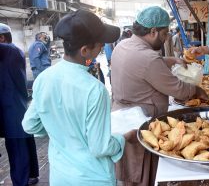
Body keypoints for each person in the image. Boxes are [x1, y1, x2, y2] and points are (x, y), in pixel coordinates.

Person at [22, 9, 126, 186]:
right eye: (100, 44)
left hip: (61, 176)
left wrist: (59, 127)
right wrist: (122, 139)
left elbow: (30, 124)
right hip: (93, 178)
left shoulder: (44, 79)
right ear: (85, 50)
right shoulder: (95, 90)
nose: (102, 47)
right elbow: (100, 147)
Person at [111, 6, 208, 186]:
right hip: (140, 123)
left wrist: (170, 60)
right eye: (164, 34)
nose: (165, 39)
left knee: (129, 174)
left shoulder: (123, 45)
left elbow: (141, 65)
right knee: (141, 174)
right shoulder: (147, 57)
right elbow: (178, 89)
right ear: (153, 31)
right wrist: (198, 90)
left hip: (122, 117)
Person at [0, 23, 39, 185]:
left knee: (18, 146)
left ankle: (21, 181)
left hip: (11, 107)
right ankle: (31, 175)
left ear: (2, 38)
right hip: (16, 105)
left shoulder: (10, 51)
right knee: (24, 141)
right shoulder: (12, 51)